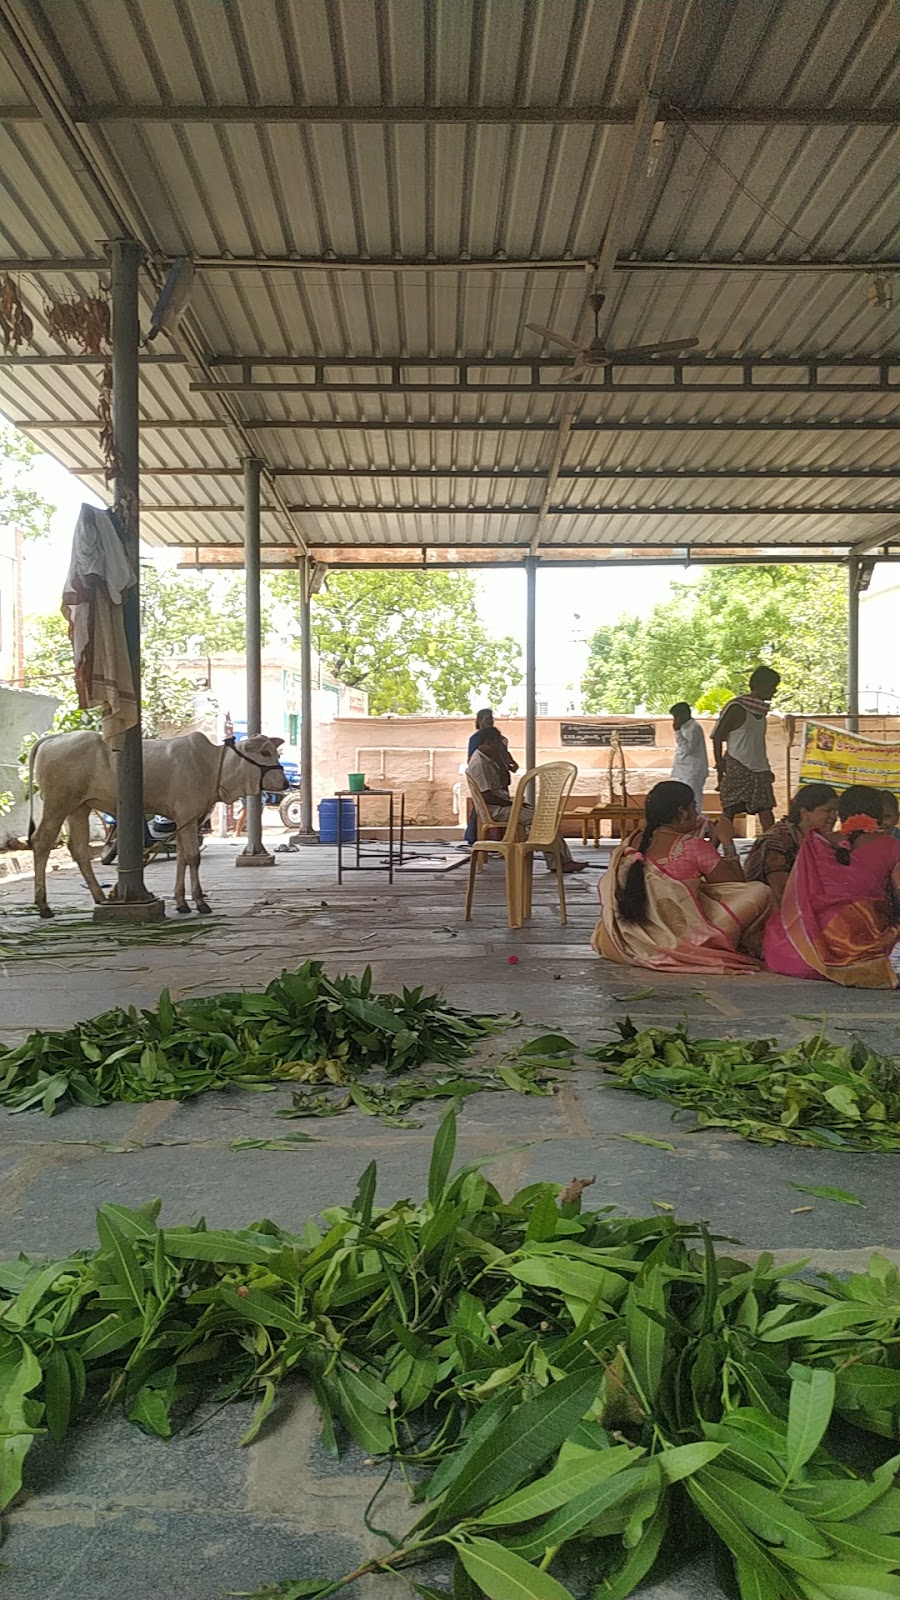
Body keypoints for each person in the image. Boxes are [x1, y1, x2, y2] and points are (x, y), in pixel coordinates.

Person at [592, 780, 772, 973]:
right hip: (684, 938)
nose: (697, 813)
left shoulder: (632, 841)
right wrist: (727, 842)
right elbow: (736, 884)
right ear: (682, 813)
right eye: (693, 807)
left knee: (699, 889)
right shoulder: (693, 847)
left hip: (631, 938)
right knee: (760, 891)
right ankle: (733, 945)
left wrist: (712, 842)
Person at [763, 784, 900, 989]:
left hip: (810, 941)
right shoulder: (891, 844)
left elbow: (799, 893)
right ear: (879, 815)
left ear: (841, 814)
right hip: (860, 935)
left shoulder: (818, 842)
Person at [466, 726, 585, 873]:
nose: (498, 746)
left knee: (546, 816)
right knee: (544, 819)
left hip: (502, 806)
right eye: (496, 743)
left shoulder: (489, 759)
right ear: (487, 743)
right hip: (496, 810)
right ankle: (558, 861)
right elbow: (487, 797)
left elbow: (506, 781)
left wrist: (502, 761)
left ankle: (561, 860)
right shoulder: (479, 763)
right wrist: (514, 804)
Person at [711, 667, 781, 851]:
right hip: (738, 766)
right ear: (761, 685)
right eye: (772, 686)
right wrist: (720, 765)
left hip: (760, 768)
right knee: (729, 812)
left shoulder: (761, 711)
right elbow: (718, 736)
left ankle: (772, 852)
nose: (774, 691)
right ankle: (711, 851)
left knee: (766, 812)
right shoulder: (737, 707)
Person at [743, 783, 839, 907]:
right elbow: (781, 892)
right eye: (827, 811)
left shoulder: (820, 839)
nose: (833, 817)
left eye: (835, 811)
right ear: (804, 813)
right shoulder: (777, 842)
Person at [462, 709, 518, 846]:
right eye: (487, 719)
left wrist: (510, 763)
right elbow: (472, 759)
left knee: (500, 801)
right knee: (484, 805)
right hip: (486, 777)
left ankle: (501, 840)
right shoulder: (477, 740)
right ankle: (475, 838)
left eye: (492, 718)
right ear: (480, 721)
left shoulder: (500, 739)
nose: (491, 721)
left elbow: (504, 752)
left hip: (500, 775)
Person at [669, 702, 709, 814]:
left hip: (692, 771)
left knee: (693, 800)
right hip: (684, 771)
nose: (675, 720)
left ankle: (695, 822)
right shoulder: (685, 727)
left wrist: (677, 732)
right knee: (684, 799)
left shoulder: (693, 728)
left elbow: (688, 749)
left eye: (676, 717)